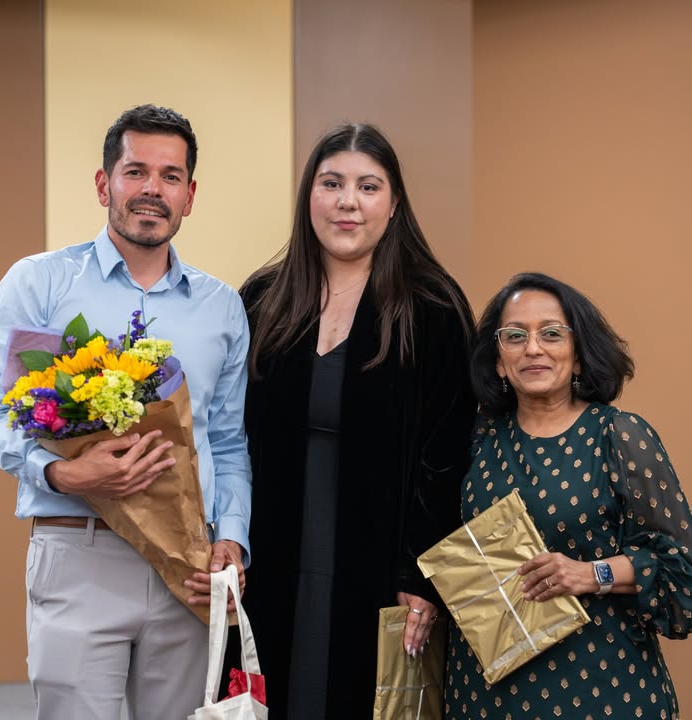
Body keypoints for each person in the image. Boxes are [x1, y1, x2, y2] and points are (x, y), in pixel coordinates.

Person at [0, 104, 252, 720]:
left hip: (187, 565)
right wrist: (63, 473)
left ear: (189, 196)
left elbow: (229, 441)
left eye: (171, 176)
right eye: (136, 171)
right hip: (80, 553)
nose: (153, 188)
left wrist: (233, 539)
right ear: (105, 184)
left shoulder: (222, 307)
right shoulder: (40, 285)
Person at [239, 122, 477, 716]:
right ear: (308, 197)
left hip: (383, 570)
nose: (348, 201)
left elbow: (448, 458)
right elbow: (229, 440)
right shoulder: (262, 301)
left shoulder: (432, 309)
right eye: (332, 183)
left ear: (393, 205)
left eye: (368, 187)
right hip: (270, 563)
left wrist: (422, 575)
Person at [444, 271, 692, 719]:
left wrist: (591, 574)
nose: (533, 348)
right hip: (485, 694)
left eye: (551, 333)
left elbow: (684, 577)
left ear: (580, 356)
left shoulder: (619, 435)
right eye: (515, 336)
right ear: (498, 361)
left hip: (601, 688)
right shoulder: (475, 439)